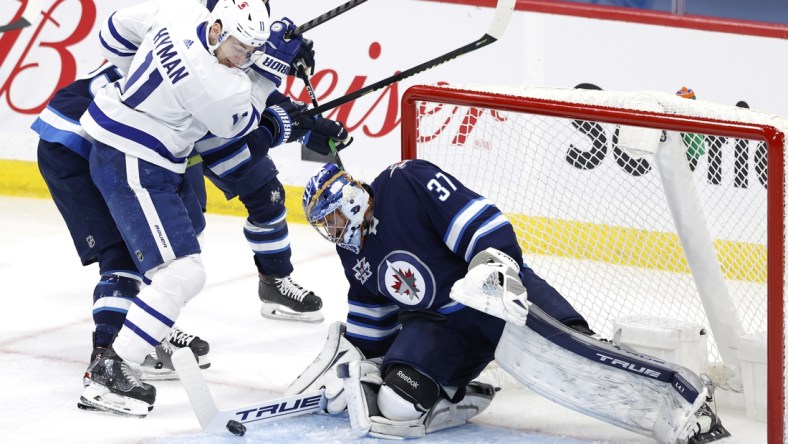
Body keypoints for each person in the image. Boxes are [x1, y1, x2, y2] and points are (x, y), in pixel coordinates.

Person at [289, 160, 730, 443]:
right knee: (395, 405)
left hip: (495, 296)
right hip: (439, 330)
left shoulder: (405, 181)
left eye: (328, 218)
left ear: (348, 199)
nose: (329, 230)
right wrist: (353, 367)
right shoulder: (353, 252)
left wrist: (488, 270)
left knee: (580, 359)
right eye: (321, 224)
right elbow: (371, 314)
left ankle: (683, 395)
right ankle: (454, 398)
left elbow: (483, 221)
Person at [74, 0, 349, 417]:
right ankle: (110, 370)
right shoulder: (218, 87)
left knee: (181, 257)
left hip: (132, 147)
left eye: (253, 50)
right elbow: (237, 132)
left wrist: (149, 90)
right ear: (218, 27)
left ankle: (123, 359)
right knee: (183, 270)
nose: (244, 57)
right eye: (239, 46)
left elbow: (113, 32)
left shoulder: (182, 13)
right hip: (134, 157)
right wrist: (270, 72)